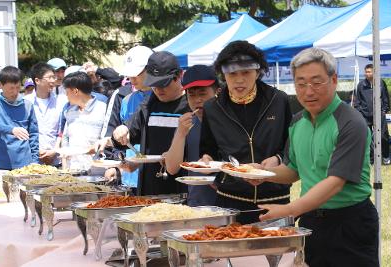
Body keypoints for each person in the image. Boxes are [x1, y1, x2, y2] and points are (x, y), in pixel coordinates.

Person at [250, 48, 379, 267]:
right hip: (312, 221)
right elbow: (293, 171)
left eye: (316, 82)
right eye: (301, 84)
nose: (308, 91)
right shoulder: (297, 122)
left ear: (334, 80)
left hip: (350, 222)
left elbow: (335, 182)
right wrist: (261, 173)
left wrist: (290, 210)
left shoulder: (351, 123)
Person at [199, 40, 292, 224]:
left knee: (278, 250)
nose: (239, 80)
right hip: (230, 200)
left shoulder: (278, 100)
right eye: (232, 73)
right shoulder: (212, 107)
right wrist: (206, 160)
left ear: (258, 72)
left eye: (246, 73)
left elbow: (292, 146)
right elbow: (207, 149)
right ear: (223, 74)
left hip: (274, 198)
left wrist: (278, 159)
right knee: (227, 250)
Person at [102, 51, 190, 195]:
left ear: (179, 75)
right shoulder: (150, 102)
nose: (158, 90)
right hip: (149, 188)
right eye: (154, 85)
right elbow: (131, 131)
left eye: (163, 84)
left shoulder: (189, 103)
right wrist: (121, 131)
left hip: (182, 188)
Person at [165, 65, 218, 206]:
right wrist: (181, 133)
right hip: (197, 204)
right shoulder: (187, 123)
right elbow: (171, 168)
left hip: (229, 202)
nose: (197, 100)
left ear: (217, 92)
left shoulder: (228, 121)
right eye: (191, 95)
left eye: (203, 94)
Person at [103, 45, 154, 188]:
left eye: (137, 73)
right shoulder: (126, 100)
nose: (132, 78)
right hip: (129, 178)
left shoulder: (161, 98)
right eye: (129, 74)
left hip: (153, 176)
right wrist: (116, 167)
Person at [0, 66, 39, 170]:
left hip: (26, 165)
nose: (15, 92)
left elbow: (34, 134)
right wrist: (12, 130)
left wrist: (35, 161)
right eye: (11, 88)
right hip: (1, 164)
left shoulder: (28, 105)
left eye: (17, 87)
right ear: (0, 85)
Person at [61, 71, 106, 172]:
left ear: (76, 91)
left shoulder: (103, 110)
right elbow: (65, 140)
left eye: (67, 92)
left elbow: (107, 142)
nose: (66, 96)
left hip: (97, 173)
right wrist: (65, 169)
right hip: (73, 172)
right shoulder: (69, 111)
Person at [26, 63, 68, 166]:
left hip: (56, 160)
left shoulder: (62, 101)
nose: (53, 80)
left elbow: (63, 129)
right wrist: (38, 150)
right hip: (32, 161)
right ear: (37, 81)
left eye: (54, 77)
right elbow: (24, 130)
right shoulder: (26, 102)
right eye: (50, 77)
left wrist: (54, 151)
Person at [354, 63, 390, 165]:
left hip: (379, 114)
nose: (366, 73)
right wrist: (359, 111)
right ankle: (371, 159)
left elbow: (385, 98)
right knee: (367, 137)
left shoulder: (381, 83)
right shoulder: (361, 85)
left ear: (374, 72)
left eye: (369, 71)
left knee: (383, 136)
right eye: (366, 71)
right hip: (365, 115)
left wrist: (384, 110)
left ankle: (386, 156)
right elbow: (358, 101)